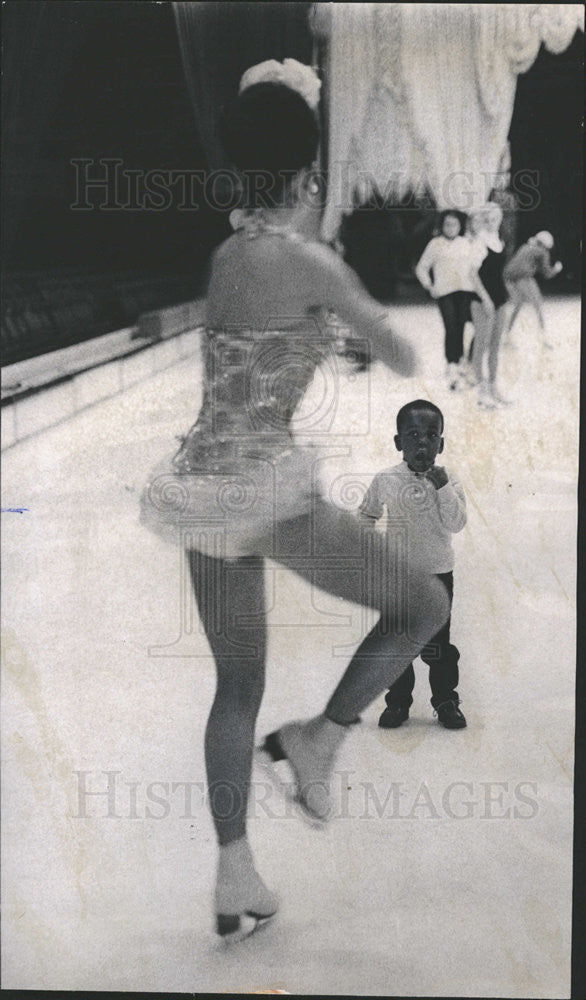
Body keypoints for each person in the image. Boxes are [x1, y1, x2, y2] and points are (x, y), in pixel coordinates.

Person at [140, 60, 449, 943]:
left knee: (236, 689)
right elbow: (401, 355)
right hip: (267, 490)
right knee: (422, 605)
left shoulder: (229, 253)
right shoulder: (313, 262)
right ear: (311, 169)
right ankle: (319, 740)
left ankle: (234, 871)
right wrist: (349, 302)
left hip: (202, 490)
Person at [359, 400, 467, 730]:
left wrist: (443, 487)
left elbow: (457, 523)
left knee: (438, 645)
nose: (422, 442)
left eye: (431, 435)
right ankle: (398, 702)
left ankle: (446, 700)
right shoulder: (386, 479)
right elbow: (367, 514)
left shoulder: (449, 480)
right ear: (398, 442)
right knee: (397, 642)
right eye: (413, 434)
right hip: (397, 576)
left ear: (441, 443)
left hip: (437, 575)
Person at [415, 210, 491, 391]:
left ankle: (466, 362)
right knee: (451, 326)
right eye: (447, 224)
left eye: (455, 224)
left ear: (460, 226)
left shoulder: (466, 243)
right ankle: (452, 363)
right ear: (442, 226)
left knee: (466, 326)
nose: (451, 228)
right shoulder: (435, 244)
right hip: (444, 292)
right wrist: (429, 286)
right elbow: (422, 267)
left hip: (465, 290)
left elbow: (478, 264)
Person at [468, 204, 510, 409]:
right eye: (488, 219)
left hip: (500, 297)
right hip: (481, 299)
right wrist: (485, 298)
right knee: (481, 345)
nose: (492, 222)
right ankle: (481, 392)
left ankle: (493, 388)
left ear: (500, 218)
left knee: (495, 346)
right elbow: (473, 274)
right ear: (484, 220)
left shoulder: (499, 240)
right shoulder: (480, 242)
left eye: (496, 218)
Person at [503, 231, 563, 348]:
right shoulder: (542, 251)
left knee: (518, 304)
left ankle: (506, 336)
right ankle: (544, 339)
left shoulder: (525, 246)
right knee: (538, 306)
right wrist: (556, 269)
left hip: (507, 277)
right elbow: (547, 273)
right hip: (523, 277)